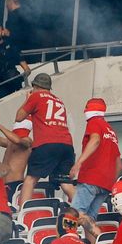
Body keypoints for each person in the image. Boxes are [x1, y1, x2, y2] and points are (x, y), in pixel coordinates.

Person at [15, 73, 75, 207]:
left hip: (47, 143)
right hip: (66, 145)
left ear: (35, 86)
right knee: (65, 182)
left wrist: (27, 99)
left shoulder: (36, 96)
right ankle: (82, 210)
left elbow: (19, 117)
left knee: (30, 178)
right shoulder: (59, 100)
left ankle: (22, 211)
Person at [69, 98, 122, 244]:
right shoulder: (111, 131)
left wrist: (78, 163)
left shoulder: (94, 123)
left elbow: (95, 140)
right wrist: (109, 182)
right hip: (105, 184)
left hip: (91, 177)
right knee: (89, 218)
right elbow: (119, 164)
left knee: (72, 214)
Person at [0, 118, 33, 199]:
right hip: (3, 184)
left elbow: (17, 140)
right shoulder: (10, 142)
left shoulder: (27, 141)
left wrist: (0, 126)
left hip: (15, 183)